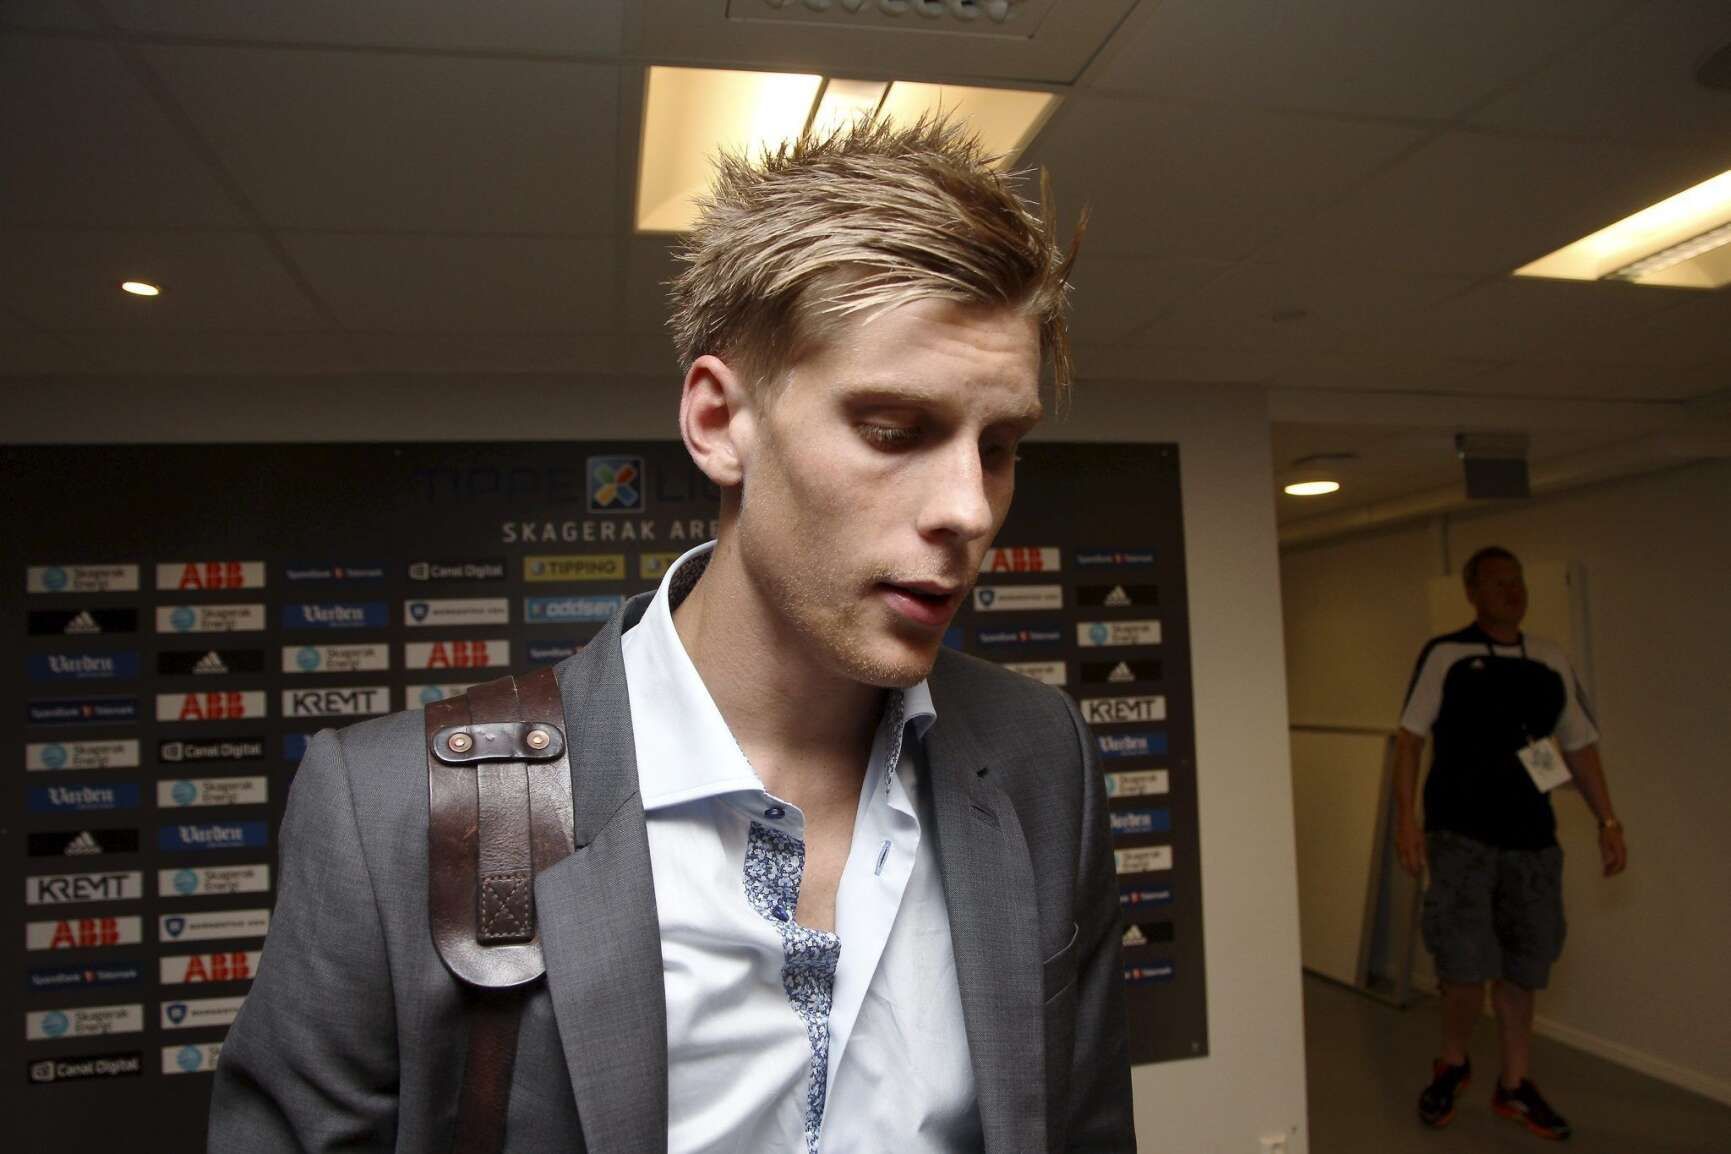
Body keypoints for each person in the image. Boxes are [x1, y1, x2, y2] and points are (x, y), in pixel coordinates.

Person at [208, 117, 1134, 1153]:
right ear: (719, 422)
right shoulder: (392, 812)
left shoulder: (1041, 757)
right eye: (892, 431)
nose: (967, 508)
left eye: (999, 447)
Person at [1393, 545, 1628, 1140]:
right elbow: (1410, 739)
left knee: (1524, 966)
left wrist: (1608, 821)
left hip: (1531, 842)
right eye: (1499, 582)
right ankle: (1453, 1062)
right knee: (1464, 965)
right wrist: (1406, 821)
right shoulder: (1446, 654)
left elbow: (1579, 745)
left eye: (1518, 580)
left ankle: (1515, 1085)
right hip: (1460, 837)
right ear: (1472, 593)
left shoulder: (1549, 659)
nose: (1513, 590)